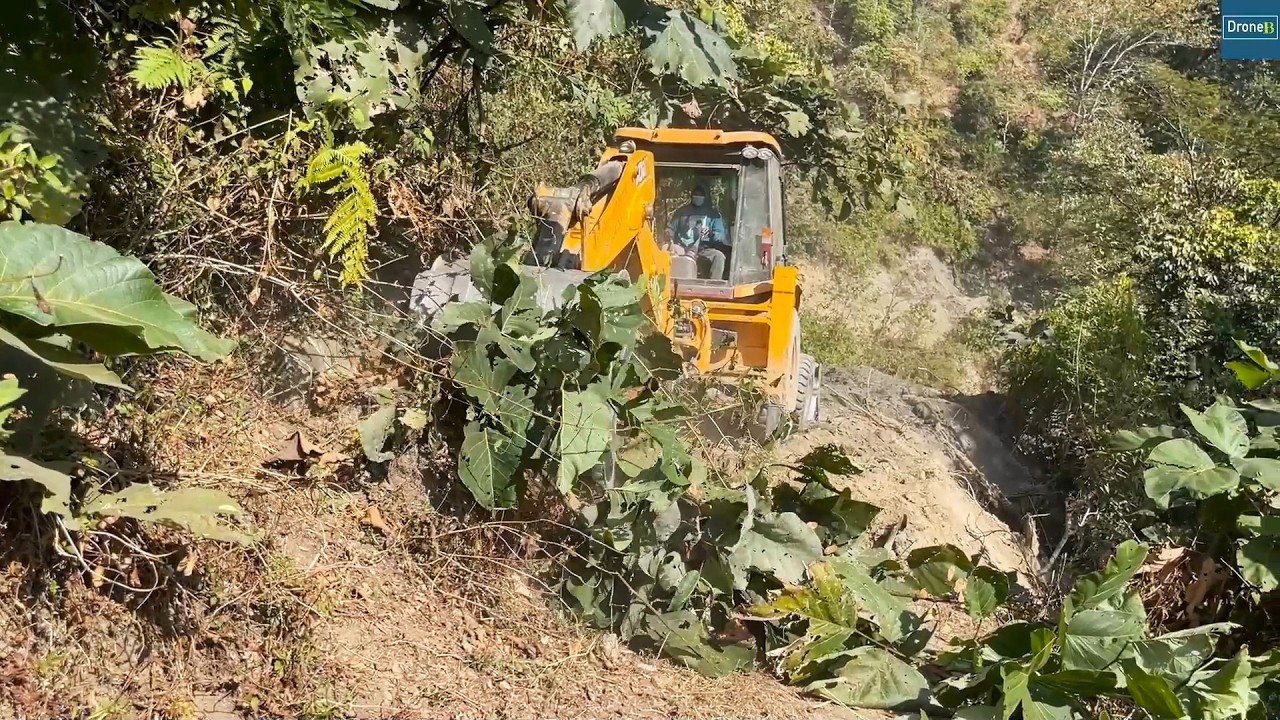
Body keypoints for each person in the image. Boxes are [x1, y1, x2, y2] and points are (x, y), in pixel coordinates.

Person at [666, 184, 728, 280]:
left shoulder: (713, 214)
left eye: (701, 195)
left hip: (703, 250)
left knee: (719, 257)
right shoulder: (681, 212)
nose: (698, 197)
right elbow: (670, 229)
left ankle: (713, 285)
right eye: (696, 195)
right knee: (667, 250)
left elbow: (720, 235)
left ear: (705, 197)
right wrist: (668, 239)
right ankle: (669, 283)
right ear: (691, 196)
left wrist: (711, 233)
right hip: (682, 248)